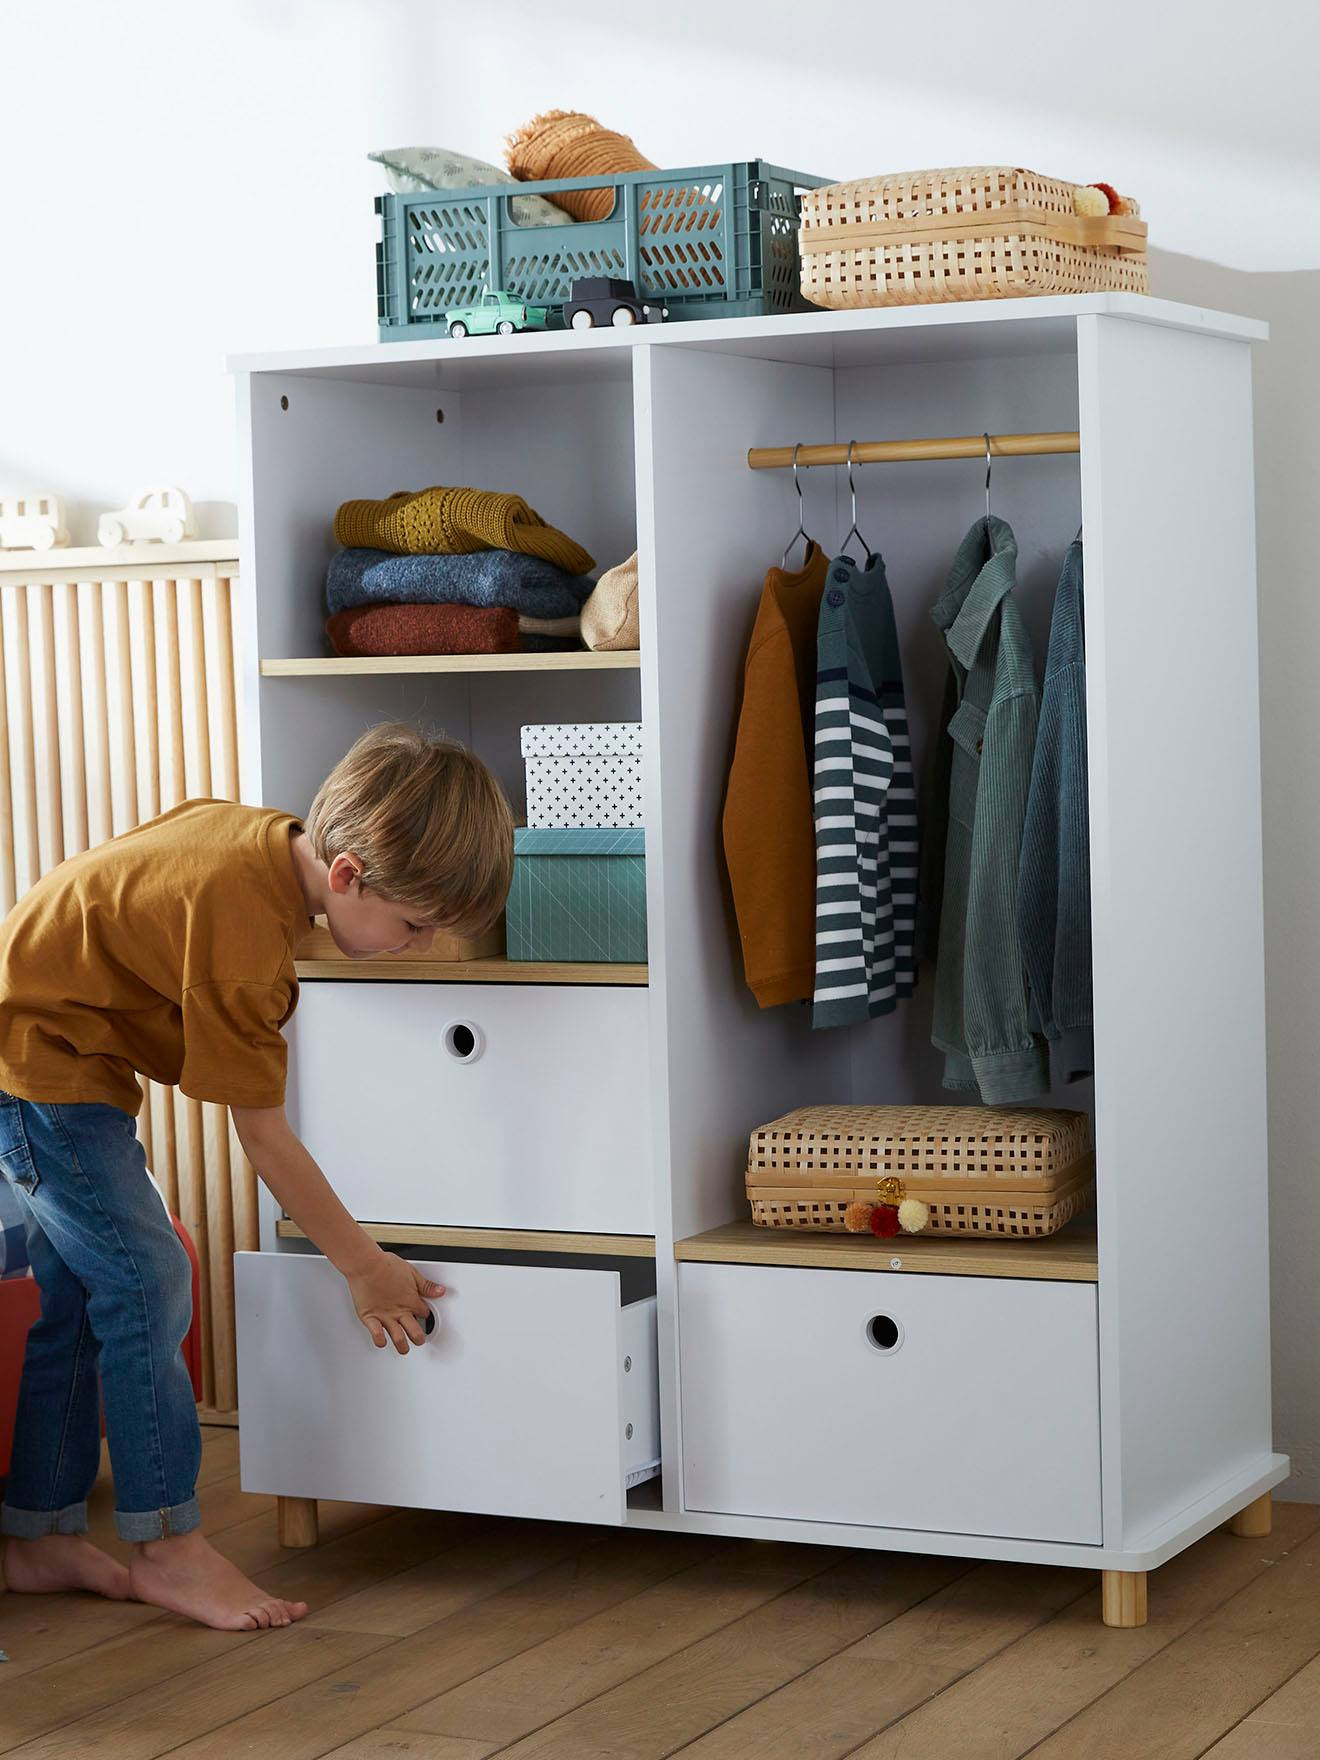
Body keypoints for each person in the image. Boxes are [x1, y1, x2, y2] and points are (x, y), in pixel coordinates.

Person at [0, 722, 513, 1630]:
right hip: (38, 1067)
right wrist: (363, 1265)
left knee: (83, 1295)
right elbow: (265, 1138)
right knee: (150, 1278)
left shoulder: (266, 843)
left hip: (49, 1047)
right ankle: (166, 1546)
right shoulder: (244, 942)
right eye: (415, 925)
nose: (425, 946)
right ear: (348, 875)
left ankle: (40, 1536)